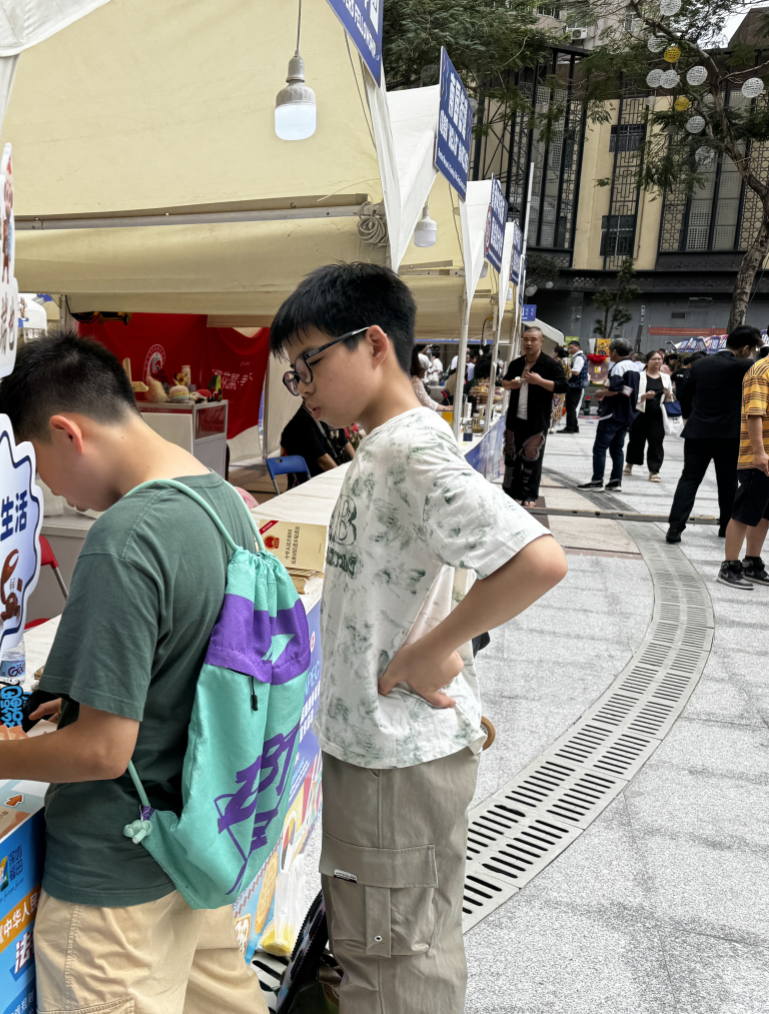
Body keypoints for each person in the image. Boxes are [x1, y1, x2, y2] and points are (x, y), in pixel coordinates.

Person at [268, 263, 567, 1013]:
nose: (304, 390)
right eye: (293, 376)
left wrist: (433, 648)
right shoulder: (383, 445)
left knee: (392, 966)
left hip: (393, 755)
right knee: (385, 950)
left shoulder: (408, 450)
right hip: (379, 748)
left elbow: (538, 558)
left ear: (373, 344)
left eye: (308, 366)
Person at [0, 331, 269, 1014]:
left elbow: (102, 752)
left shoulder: (127, 536)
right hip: (197, 849)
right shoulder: (223, 502)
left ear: (66, 432)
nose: (55, 492)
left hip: (115, 885)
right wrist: (74, 701)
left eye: (41, 470)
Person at [666, 326, 763, 543]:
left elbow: (685, 393)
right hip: (729, 435)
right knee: (728, 482)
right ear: (747, 348)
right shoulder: (746, 365)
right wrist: (763, 347)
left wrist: (689, 416)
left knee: (689, 479)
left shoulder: (700, 364)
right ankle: (725, 527)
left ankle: (675, 528)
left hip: (697, 432)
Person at [718, 348, 769, 588]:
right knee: (744, 511)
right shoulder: (760, 371)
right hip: (759, 457)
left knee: (764, 513)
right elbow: (754, 414)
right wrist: (759, 452)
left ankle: (752, 561)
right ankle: (730, 565)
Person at [501, 325, 567, 506]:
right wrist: (510, 385)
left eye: (533, 340)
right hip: (515, 419)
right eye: (526, 339)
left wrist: (540, 381)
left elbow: (563, 386)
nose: (529, 343)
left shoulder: (550, 364)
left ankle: (529, 496)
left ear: (541, 342)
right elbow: (504, 382)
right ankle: (509, 493)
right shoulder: (517, 363)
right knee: (511, 457)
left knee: (532, 459)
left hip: (537, 421)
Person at [579, 338, 639, 492]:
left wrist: (600, 393)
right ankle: (615, 481)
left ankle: (597, 480)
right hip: (627, 413)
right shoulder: (635, 367)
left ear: (614, 352)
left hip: (612, 413)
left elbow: (615, 389)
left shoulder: (618, 368)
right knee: (617, 449)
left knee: (600, 448)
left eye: (610, 351)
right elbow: (629, 390)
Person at [625, 350, 674, 482]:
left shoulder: (666, 378)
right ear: (648, 361)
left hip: (657, 415)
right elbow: (632, 396)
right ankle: (630, 463)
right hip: (640, 413)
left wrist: (668, 394)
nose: (658, 362)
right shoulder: (639, 376)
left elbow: (669, 400)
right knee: (636, 440)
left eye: (660, 359)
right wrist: (644, 396)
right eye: (654, 359)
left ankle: (654, 470)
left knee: (656, 441)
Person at [281, 402, 355, 486]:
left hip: (331, 477)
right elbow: (322, 459)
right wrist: (343, 481)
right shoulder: (302, 421)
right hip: (314, 482)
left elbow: (345, 442)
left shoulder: (325, 416)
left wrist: (357, 468)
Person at [562, 339, 587, 433]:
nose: (570, 350)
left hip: (575, 386)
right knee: (572, 406)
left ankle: (570, 427)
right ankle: (574, 426)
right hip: (577, 385)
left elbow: (576, 372)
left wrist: (567, 371)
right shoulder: (580, 357)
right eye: (569, 348)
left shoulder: (579, 358)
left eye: (572, 348)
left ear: (577, 347)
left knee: (571, 407)